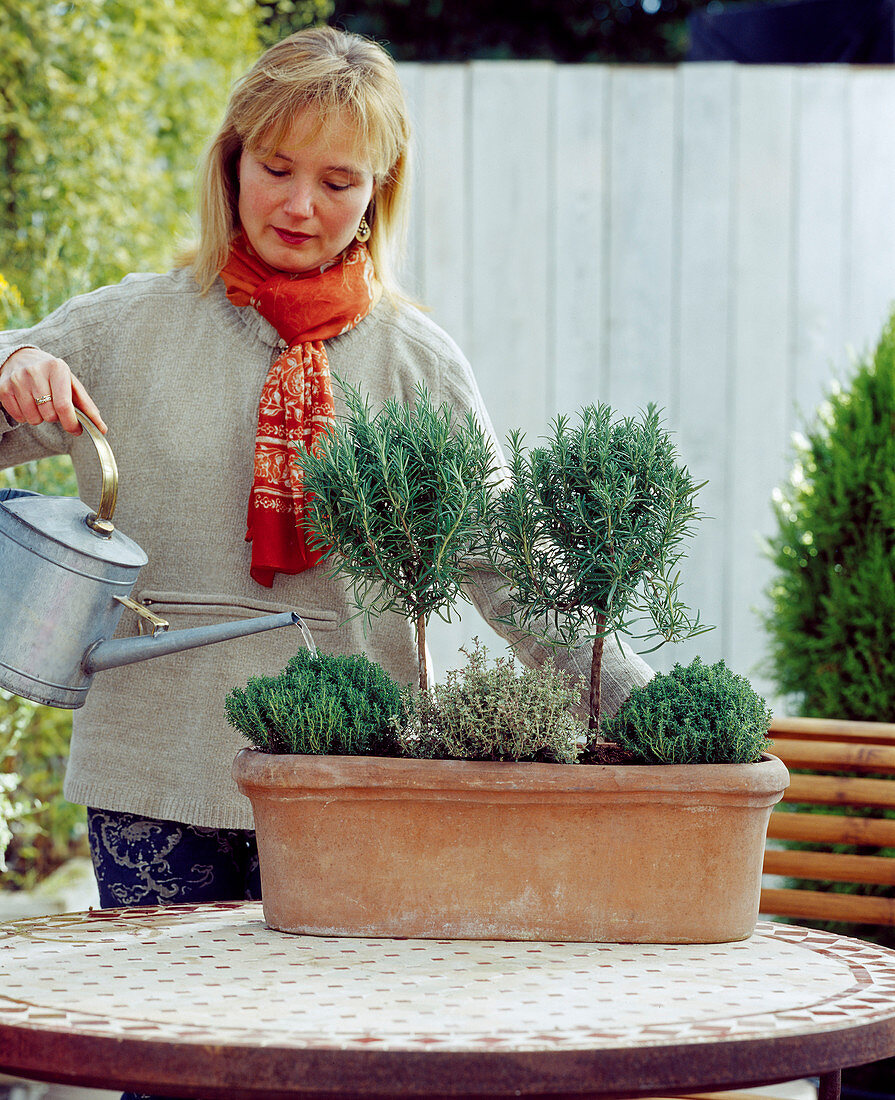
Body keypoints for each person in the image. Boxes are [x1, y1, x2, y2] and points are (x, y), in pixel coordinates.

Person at [0, 27, 652, 919]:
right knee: (169, 1050)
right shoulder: (126, 326)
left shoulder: (415, 365)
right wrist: (11, 370)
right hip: (150, 778)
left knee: (329, 1036)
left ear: (379, 190)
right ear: (230, 164)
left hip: (349, 775)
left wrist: (648, 712)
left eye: (338, 182)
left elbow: (510, 573)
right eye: (275, 167)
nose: (300, 205)